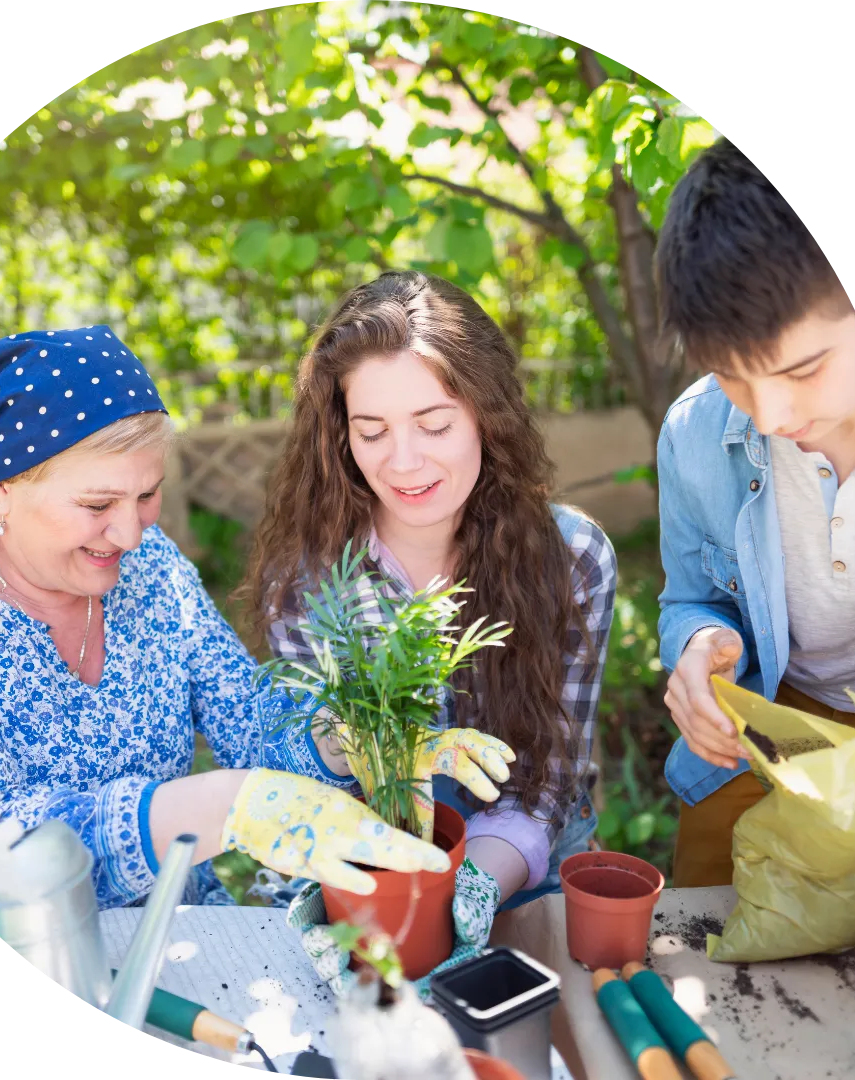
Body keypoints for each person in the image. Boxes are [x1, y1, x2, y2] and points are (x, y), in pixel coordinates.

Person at [0, 326, 460, 910]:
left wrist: (353, 739)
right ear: (0, 487)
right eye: (97, 503)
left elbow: (247, 718)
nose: (131, 534)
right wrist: (222, 804)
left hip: (189, 935)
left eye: (147, 494)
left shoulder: (150, 568)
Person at [238, 270, 617, 990]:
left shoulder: (572, 561)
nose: (404, 462)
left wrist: (463, 893)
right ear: (340, 437)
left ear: (487, 416)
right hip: (367, 883)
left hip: (521, 882)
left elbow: (550, 780)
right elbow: (311, 785)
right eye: (371, 432)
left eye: (435, 425)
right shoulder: (310, 580)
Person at [652, 137, 855, 917]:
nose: (772, 415)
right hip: (771, 718)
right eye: (733, 376)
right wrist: (698, 645)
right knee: (709, 926)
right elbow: (690, 598)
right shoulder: (697, 434)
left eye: (802, 371)